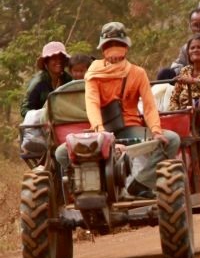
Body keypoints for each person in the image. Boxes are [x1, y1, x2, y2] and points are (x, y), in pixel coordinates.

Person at [55, 22, 181, 199]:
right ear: (102, 49)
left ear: (126, 47)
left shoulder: (138, 73)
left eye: (118, 45)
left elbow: (149, 105)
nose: (114, 50)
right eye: (109, 45)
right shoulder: (93, 73)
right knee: (61, 153)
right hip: (101, 131)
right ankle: (91, 187)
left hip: (131, 129)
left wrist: (156, 130)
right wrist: (101, 133)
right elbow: (91, 103)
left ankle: (141, 183)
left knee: (172, 140)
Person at [21, 41, 73, 117]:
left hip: (63, 120)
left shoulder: (68, 79)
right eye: (54, 58)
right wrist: (41, 115)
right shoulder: (38, 82)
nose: (59, 61)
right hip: (39, 123)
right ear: (46, 62)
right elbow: (25, 110)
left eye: (61, 58)